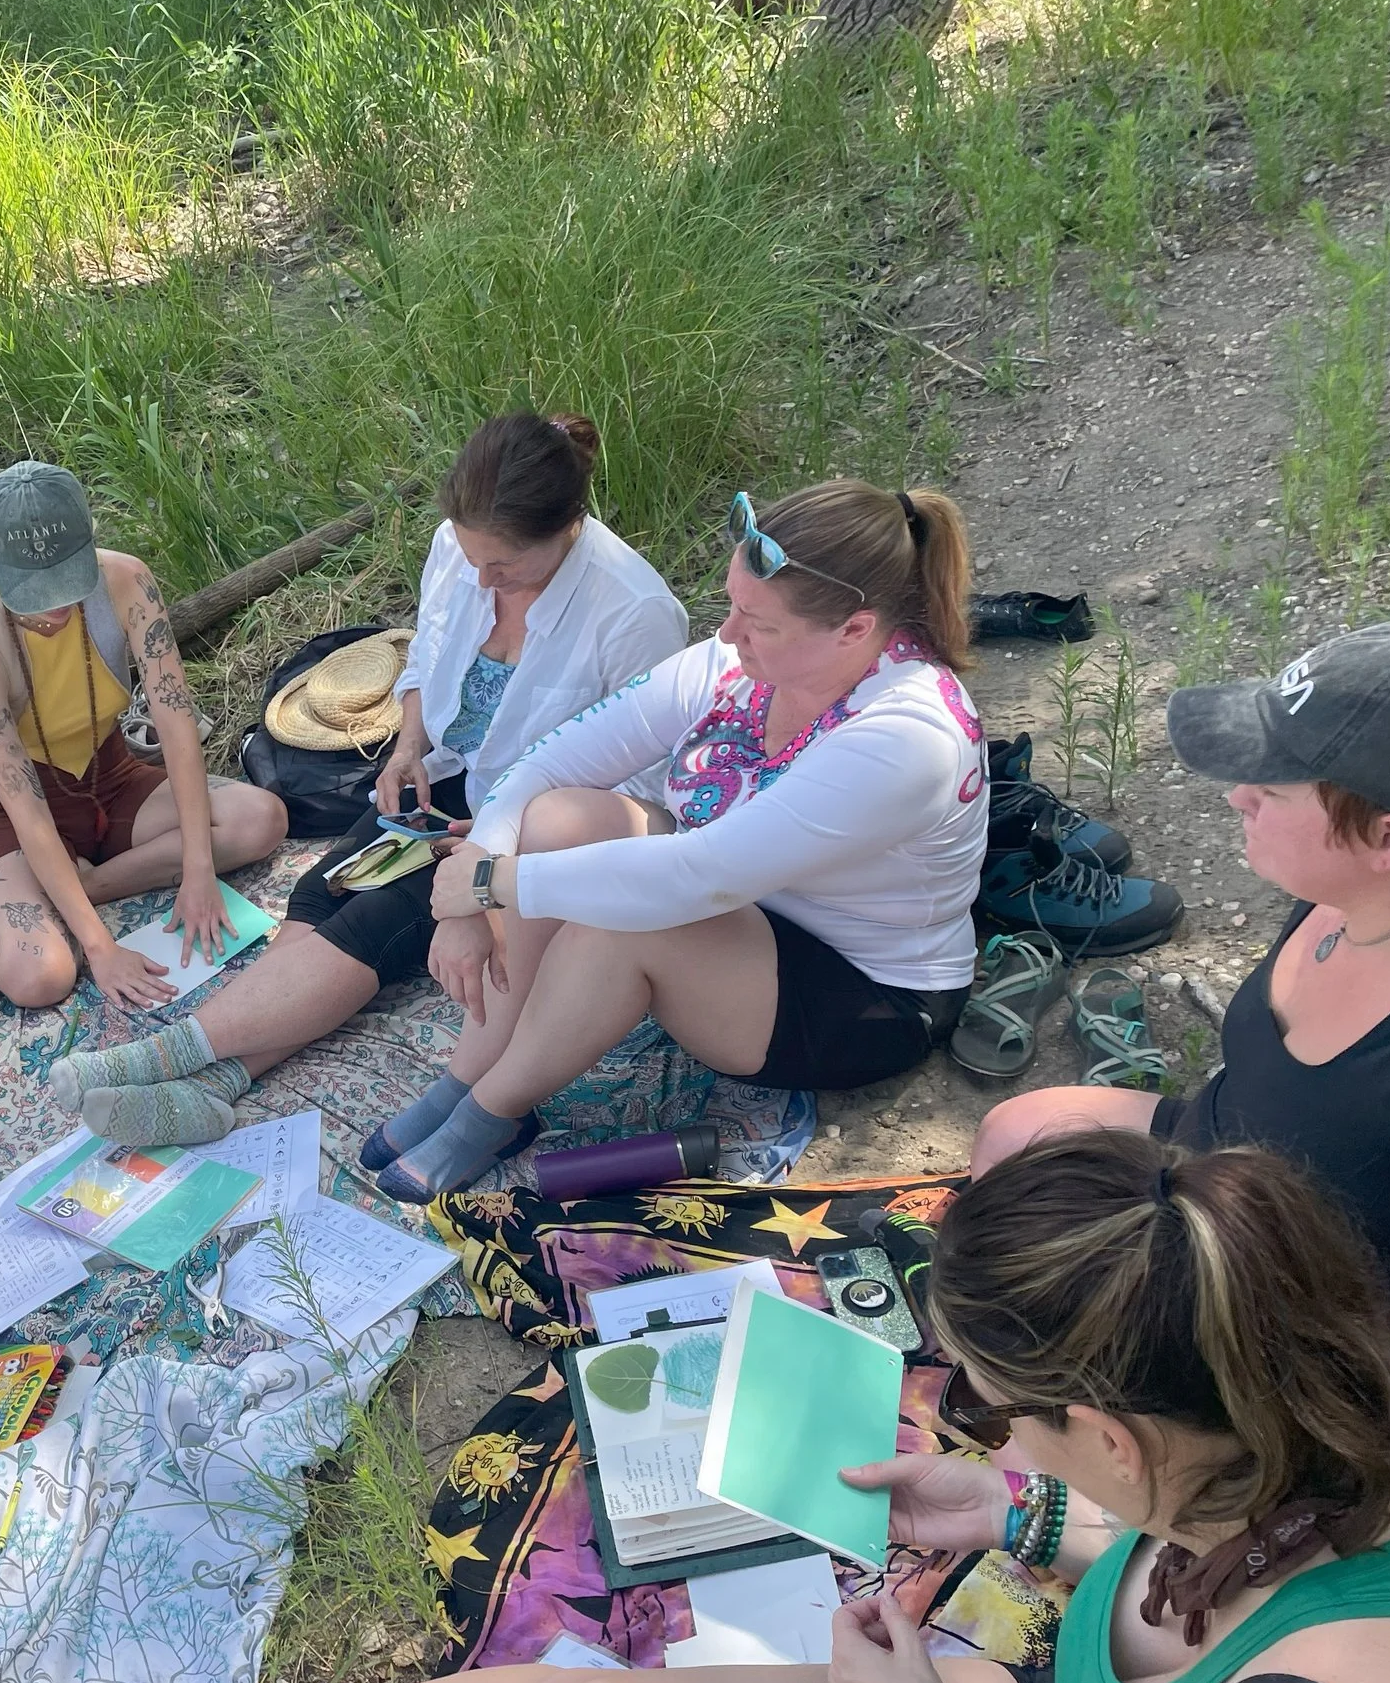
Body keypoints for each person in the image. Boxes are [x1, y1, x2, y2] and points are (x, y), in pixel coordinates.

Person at [129, 1130, 1390, 1683]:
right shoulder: (1354, 1409)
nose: (976, 1429)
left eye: (986, 1408)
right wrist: (1016, 1512)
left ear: (1115, 1433)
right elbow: (1238, 1558)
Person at [47, 412, 688, 1144]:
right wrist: (409, 743)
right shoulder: (460, 548)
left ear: (569, 525)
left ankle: (160, 1056)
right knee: (324, 894)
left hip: (527, 834)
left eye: (504, 567)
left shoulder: (632, 612)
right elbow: (423, 658)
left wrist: (497, 847)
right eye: (473, 558)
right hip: (447, 780)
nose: (483, 579)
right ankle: (222, 1085)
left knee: (376, 923)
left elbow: (644, 796)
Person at [363, 480, 989, 1202]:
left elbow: (698, 876)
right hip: (745, 902)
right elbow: (555, 760)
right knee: (561, 819)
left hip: (862, 989)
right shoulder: (742, 661)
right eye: (733, 605)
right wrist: (482, 863)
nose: (727, 634)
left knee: (618, 927)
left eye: (759, 623)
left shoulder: (907, 738)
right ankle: (473, 1067)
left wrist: (492, 884)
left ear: (854, 630)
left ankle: (493, 1109)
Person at [972, 618, 1390, 1373]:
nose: (1236, 797)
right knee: (1014, 1135)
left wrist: (1351, 1402)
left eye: (1273, 786)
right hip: (1225, 1166)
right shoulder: (1355, 892)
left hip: (1310, 1313)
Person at [0, 461, 289, 1008]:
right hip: (15, 810)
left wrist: (199, 873)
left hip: (110, 775)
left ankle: (86, 886)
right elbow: (24, 805)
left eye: (66, 583)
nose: (56, 609)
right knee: (41, 978)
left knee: (260, 818)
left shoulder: (126, 580)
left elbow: (176, 722)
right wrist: (101, 947)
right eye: (35, 592)